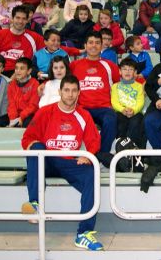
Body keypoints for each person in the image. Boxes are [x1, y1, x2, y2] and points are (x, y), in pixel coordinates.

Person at [21, 75, 103, 251]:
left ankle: (84, 234)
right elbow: (27, 138)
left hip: (68, 162)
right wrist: (35, 149)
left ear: (79, 93)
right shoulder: (45, 112)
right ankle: (35, 203)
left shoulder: (83, 115)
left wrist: (88, 156)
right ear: (60, 92)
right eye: (66, 90)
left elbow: (94, 141)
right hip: (47, 161)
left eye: (74, 91)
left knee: (92, 174)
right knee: (36, 147)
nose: (70, 94)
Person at [70, 31, 121, 154]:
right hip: (82, 108)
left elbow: (118, 86)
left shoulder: (110, 66)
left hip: (104, 108)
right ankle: (72, 157)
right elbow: (63, 83)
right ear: (85, 45)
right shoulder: (74, 65)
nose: (94, 46)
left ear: (102, 45)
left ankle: (101, 156)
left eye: (97, 43)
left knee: (111, 120)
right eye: (91, 43)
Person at [0, 5, 45, 77]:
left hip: (20, 73)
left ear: (27, 20)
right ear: (12, 18)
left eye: (24, 19)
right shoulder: (0, 34)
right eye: (17, 18)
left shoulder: (35, 37)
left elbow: (46, 54)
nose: (20, 21)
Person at [0, 57, 39, 128]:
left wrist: (21, 117)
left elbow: (33, 106)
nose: (18, 71)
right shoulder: (12, 84)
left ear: (29, 71)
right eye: (16, 68)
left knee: (27, 123)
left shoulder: (35, 84)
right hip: (15, 115)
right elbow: (11, 104)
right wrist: (12, 119)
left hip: (28, 115)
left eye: (22, 68)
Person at [110, 57, 145, 148]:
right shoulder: (115, 86)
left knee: (136, 122)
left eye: (130, 69)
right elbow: (114, 102)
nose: (127, 72)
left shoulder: (139, 86)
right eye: (124, 69)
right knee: (119, 122)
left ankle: (134, 148)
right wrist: (122, 110)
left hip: (135, 112)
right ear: (120, 71)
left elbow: (140, 102)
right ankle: (122, 149)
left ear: (135, 72)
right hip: (121, 112)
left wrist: (133, 110)